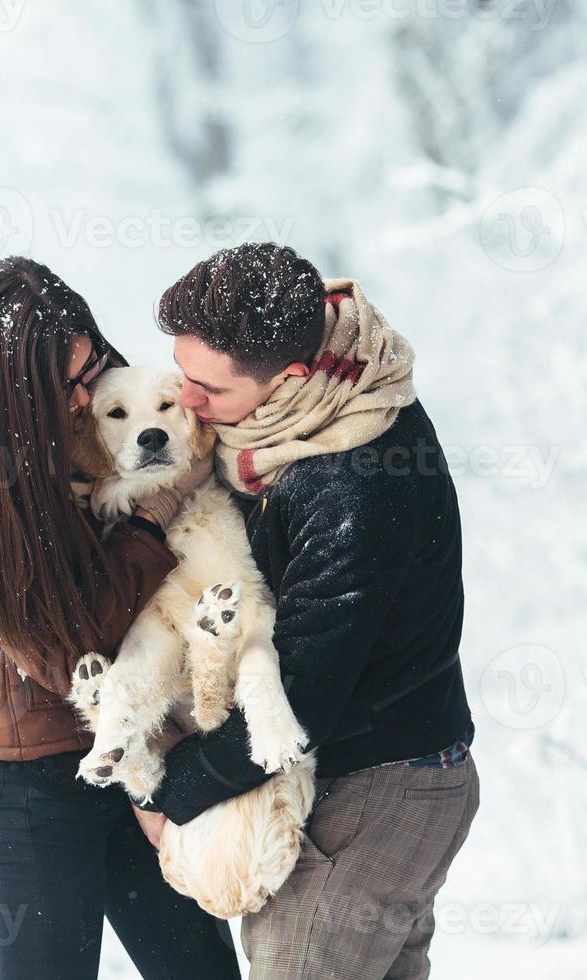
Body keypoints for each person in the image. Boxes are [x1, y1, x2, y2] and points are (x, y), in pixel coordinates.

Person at [134, 243, 479, 979]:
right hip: (384, 779)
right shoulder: (310, 411)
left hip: (375, 792)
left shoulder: (353, 477)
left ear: (291, 376)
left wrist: (172, 790)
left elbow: (303, 691)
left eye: (208, 390)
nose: (188, 402)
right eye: (181, 375)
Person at [0, 256, 238, 980]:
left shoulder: (104, 428)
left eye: (94, 369)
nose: (89, 398)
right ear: (6, 397)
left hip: (145, 752)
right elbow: (72, 646)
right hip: (40, 786)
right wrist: (154, 511)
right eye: (69, 384)